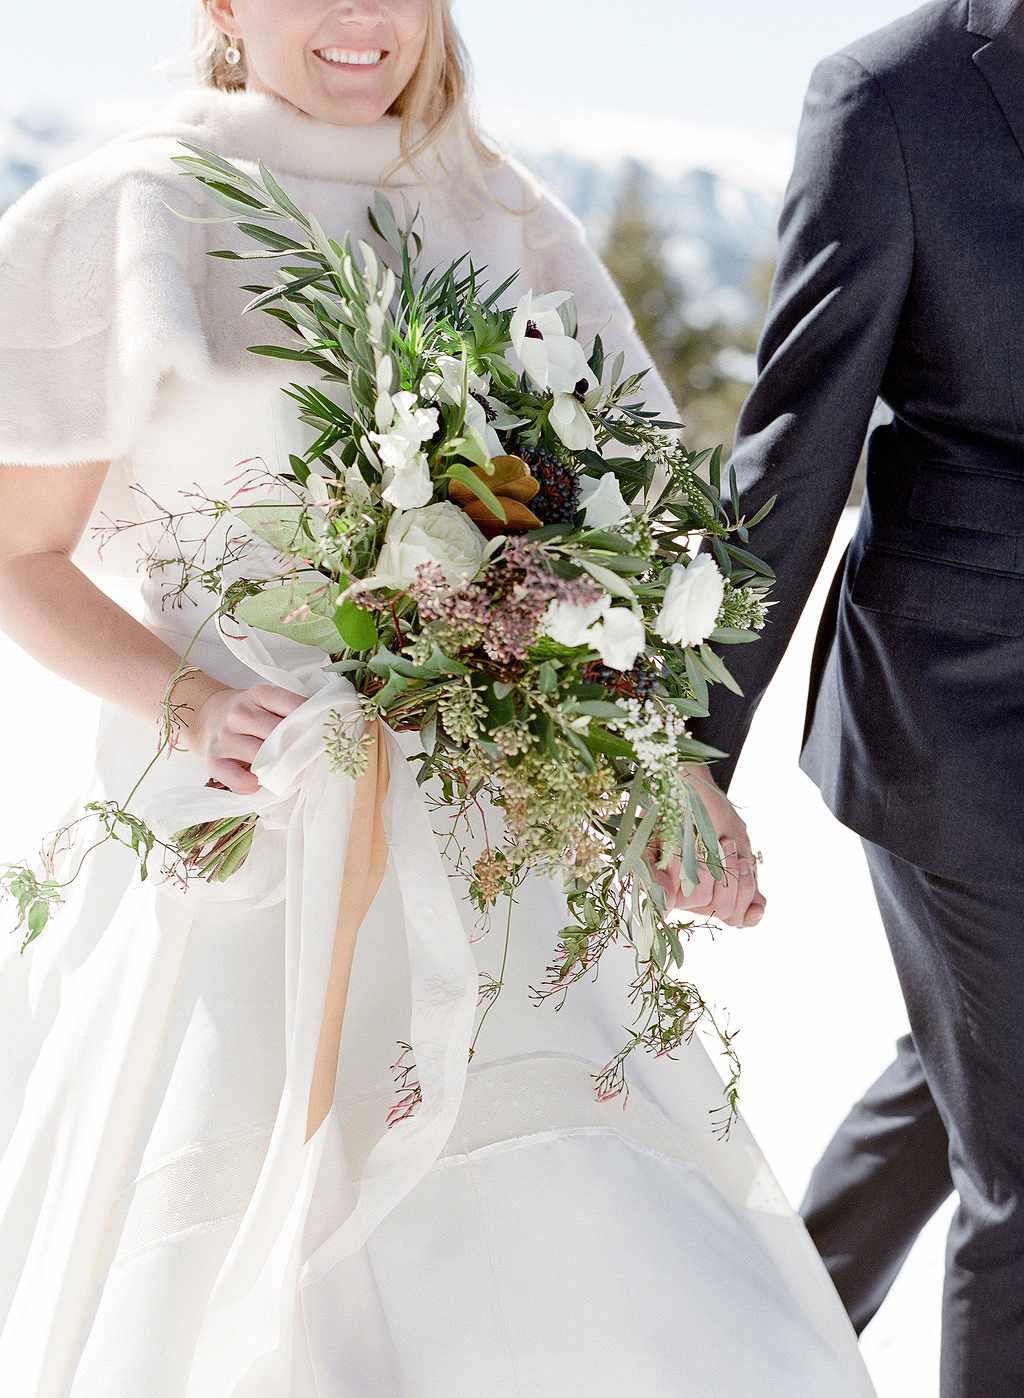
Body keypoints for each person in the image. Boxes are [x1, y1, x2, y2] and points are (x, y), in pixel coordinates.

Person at [0, 2, 873, 1394]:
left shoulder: (498, 211)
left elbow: (614, 550)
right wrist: (184, 698)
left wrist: (672, 775)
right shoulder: (136, 209)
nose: (362, 18)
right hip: (242, 848)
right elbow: (17, 553)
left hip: (490, 849)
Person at [686, 1, 1024, 1394]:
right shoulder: (891, 99)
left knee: (963, 1068)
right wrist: (696, 746)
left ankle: (757, 1349)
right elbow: (794, 443)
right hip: (956, 706)